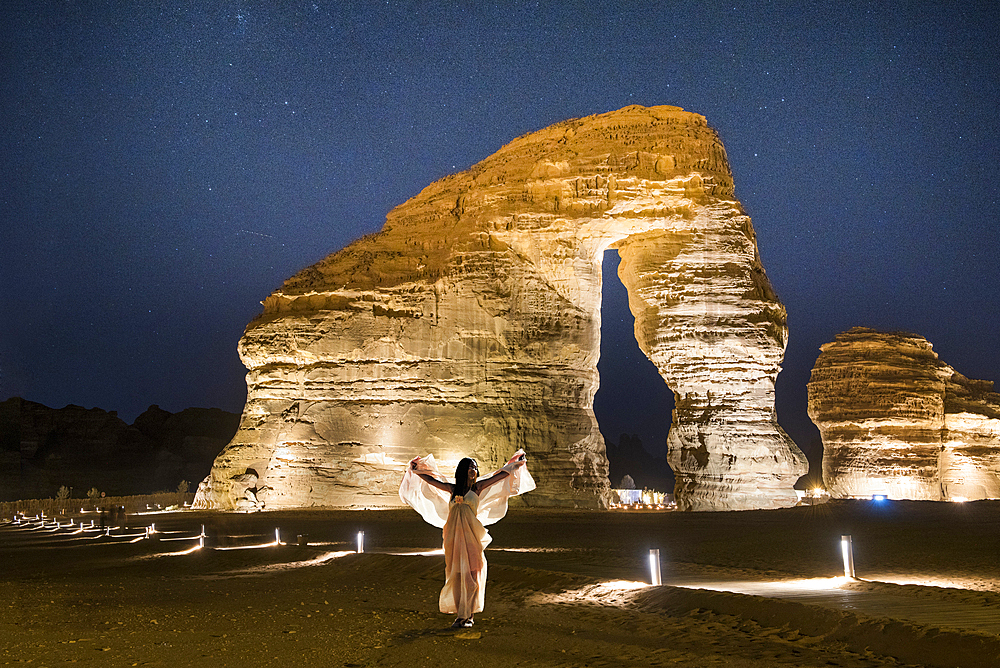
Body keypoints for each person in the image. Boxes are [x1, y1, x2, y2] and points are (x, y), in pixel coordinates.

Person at [399, 450, 534, 629]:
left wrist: (515, 463)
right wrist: (416, 469)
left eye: (476, 467)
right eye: (471, 466)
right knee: (456, 574)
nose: (474, 469)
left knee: (472, 574)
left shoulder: (477, 488)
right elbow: (431, 481)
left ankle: (469, 616)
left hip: (471, 537)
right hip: (453, 538)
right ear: (463, 470)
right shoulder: (453, 489)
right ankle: (459, 615)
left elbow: (501, 475)